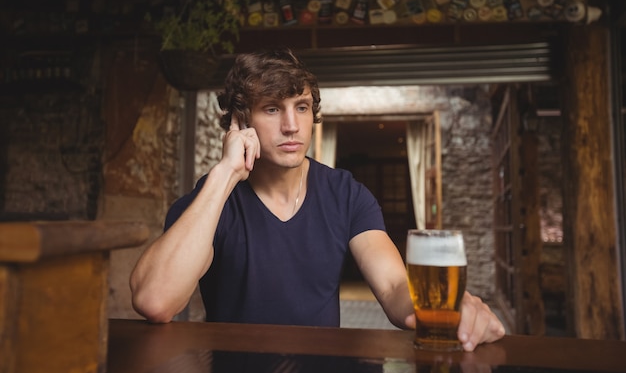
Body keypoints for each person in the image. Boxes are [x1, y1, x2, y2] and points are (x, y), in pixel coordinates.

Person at [129, 46, 505, 351]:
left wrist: (443, 311)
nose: (292, 125)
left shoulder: (346, 194)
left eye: (302, 107)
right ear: (240, 122)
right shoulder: (211, 201)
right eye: (272, 109)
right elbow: (155, 301)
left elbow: (392, 287)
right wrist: (226, 173)